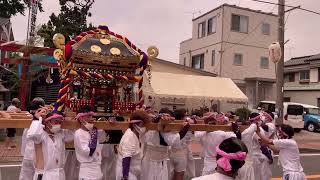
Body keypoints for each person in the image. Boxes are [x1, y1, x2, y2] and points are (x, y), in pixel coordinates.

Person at [141, 109, 190, 180]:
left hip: (162, 162)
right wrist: (158, 119)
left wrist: (186, 127)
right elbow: (150, 134)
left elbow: (174, 139)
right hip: (149, 162)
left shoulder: (169, 133)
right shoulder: (151, 129)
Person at [27, 110, 74, 180]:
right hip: (44, 175)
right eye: (56, 122)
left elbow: (72, 135)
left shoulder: (60, 134)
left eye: (60, 122)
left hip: (59, 173)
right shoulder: (40, 135)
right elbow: (32, 134)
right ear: (47, 122)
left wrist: (70, 122)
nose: (58, 124)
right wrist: (38, 119)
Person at [116, 110, 150, 180]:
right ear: (135, 124)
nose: (145, 127)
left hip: (133, 172)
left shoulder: (138, 134)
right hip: (127, 174)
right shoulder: (129, 137)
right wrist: (125, 176)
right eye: (143, 124)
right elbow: (126, 158)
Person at [74, 105, 106, 180]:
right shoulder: (79, 133)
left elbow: (103, 138)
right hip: (87, 170)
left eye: (91, 117)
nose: (91, 119)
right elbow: (87, 152)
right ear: (81, 119)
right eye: (88, 117)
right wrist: (93, 137)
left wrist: (108, 126)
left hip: (97, 168)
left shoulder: (93, 130)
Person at [19, 97, 45, 180]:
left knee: (27, 176)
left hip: (30, 153)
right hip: (33, 154)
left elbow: (25, 139)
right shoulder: (37, 119)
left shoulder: (31, 118)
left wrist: (23, 153)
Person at [169, 109, 193, 180]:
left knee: (173, 174)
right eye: (185, 115)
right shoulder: (185, 125)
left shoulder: (171, 124)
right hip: (181, 154)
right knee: (180, 174)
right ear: (182, 117)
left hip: (172, 153)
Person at [236, 113, 261, 180]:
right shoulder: (247, 133)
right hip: (247, 163)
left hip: (236, 164)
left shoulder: (231, 134)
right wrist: (254, 123)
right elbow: (253, 127)